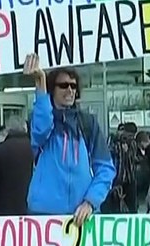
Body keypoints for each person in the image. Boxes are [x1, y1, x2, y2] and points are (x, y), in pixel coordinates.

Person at [24, 53, 114, 222]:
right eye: (64, 85)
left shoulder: (88, 123)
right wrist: (41, 84)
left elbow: (106, 168)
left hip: (82, 216)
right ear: (53, 89)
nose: (70, 90)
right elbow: (41, 129)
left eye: (73, 86)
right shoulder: (43, 121)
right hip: (44, 214)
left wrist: (91, 202)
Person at [0, 116, 32, 216]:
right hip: (32, 207)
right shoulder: (35, 149)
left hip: (6, 208)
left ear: (7, 130)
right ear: (25, 128)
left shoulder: (0, 149)